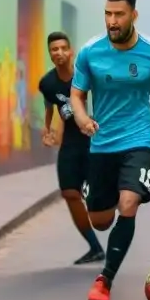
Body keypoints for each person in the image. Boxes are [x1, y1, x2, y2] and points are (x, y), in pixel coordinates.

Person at [70, 0, 150, 300]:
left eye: (119, 14)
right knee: (101, 220)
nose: (112, 21)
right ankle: (105, 211)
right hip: (102, 144)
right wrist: (81, 118)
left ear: (134, 14)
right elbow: (76, 94)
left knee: (128, 204)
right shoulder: (90, 52)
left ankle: (105, 280)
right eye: (107, 14)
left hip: (138, 140)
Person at [38, 31, 103, 266]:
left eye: (63, 48)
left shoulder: (86, 76)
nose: (59, 53)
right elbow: (50, 108)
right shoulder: (47, 83)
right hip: (71, 145)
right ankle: (95, 247)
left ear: (71, 51)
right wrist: (48, 130)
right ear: (50, 54)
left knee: (98, 196)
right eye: (54, 49)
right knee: (69, 193)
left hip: (95, 141)